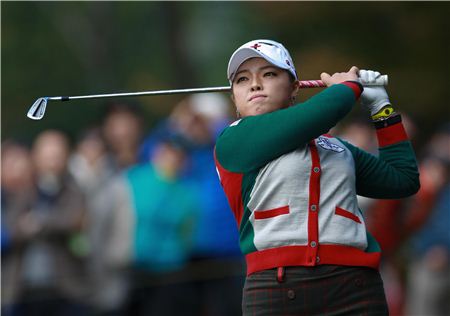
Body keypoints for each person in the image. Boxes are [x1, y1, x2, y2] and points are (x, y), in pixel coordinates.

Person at [214, 39, 420, 315]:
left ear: (295, 87)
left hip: (356, 287)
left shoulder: (336, 147)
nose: (254, 84)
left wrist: (381, 107)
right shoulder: (234, 139)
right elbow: (323, 111)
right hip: (275, 288)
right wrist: (347, 86)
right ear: (234, 98)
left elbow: (402, 179)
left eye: (269, 74)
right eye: (242, 79)